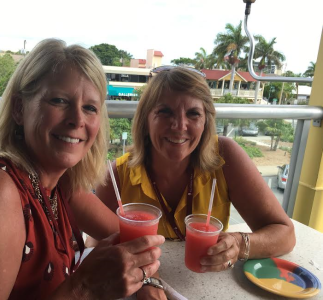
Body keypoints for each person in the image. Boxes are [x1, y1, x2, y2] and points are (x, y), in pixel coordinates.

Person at [0, 39, 165, 299]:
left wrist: (149, 282)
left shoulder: (57, 186)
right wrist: (84, 288)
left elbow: (132, 242)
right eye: (59, 100)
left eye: (90, 108)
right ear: (19, 109)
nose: (77, 120)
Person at [80, 66, 296, 299]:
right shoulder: (117, 175)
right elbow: (96, 245)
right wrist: (145, 278)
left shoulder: (226, 158)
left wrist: (239, 243)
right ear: (145, 120)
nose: (179, 125)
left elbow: (285, 233)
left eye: (193, 113)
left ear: (205, 122)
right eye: (165, 112)